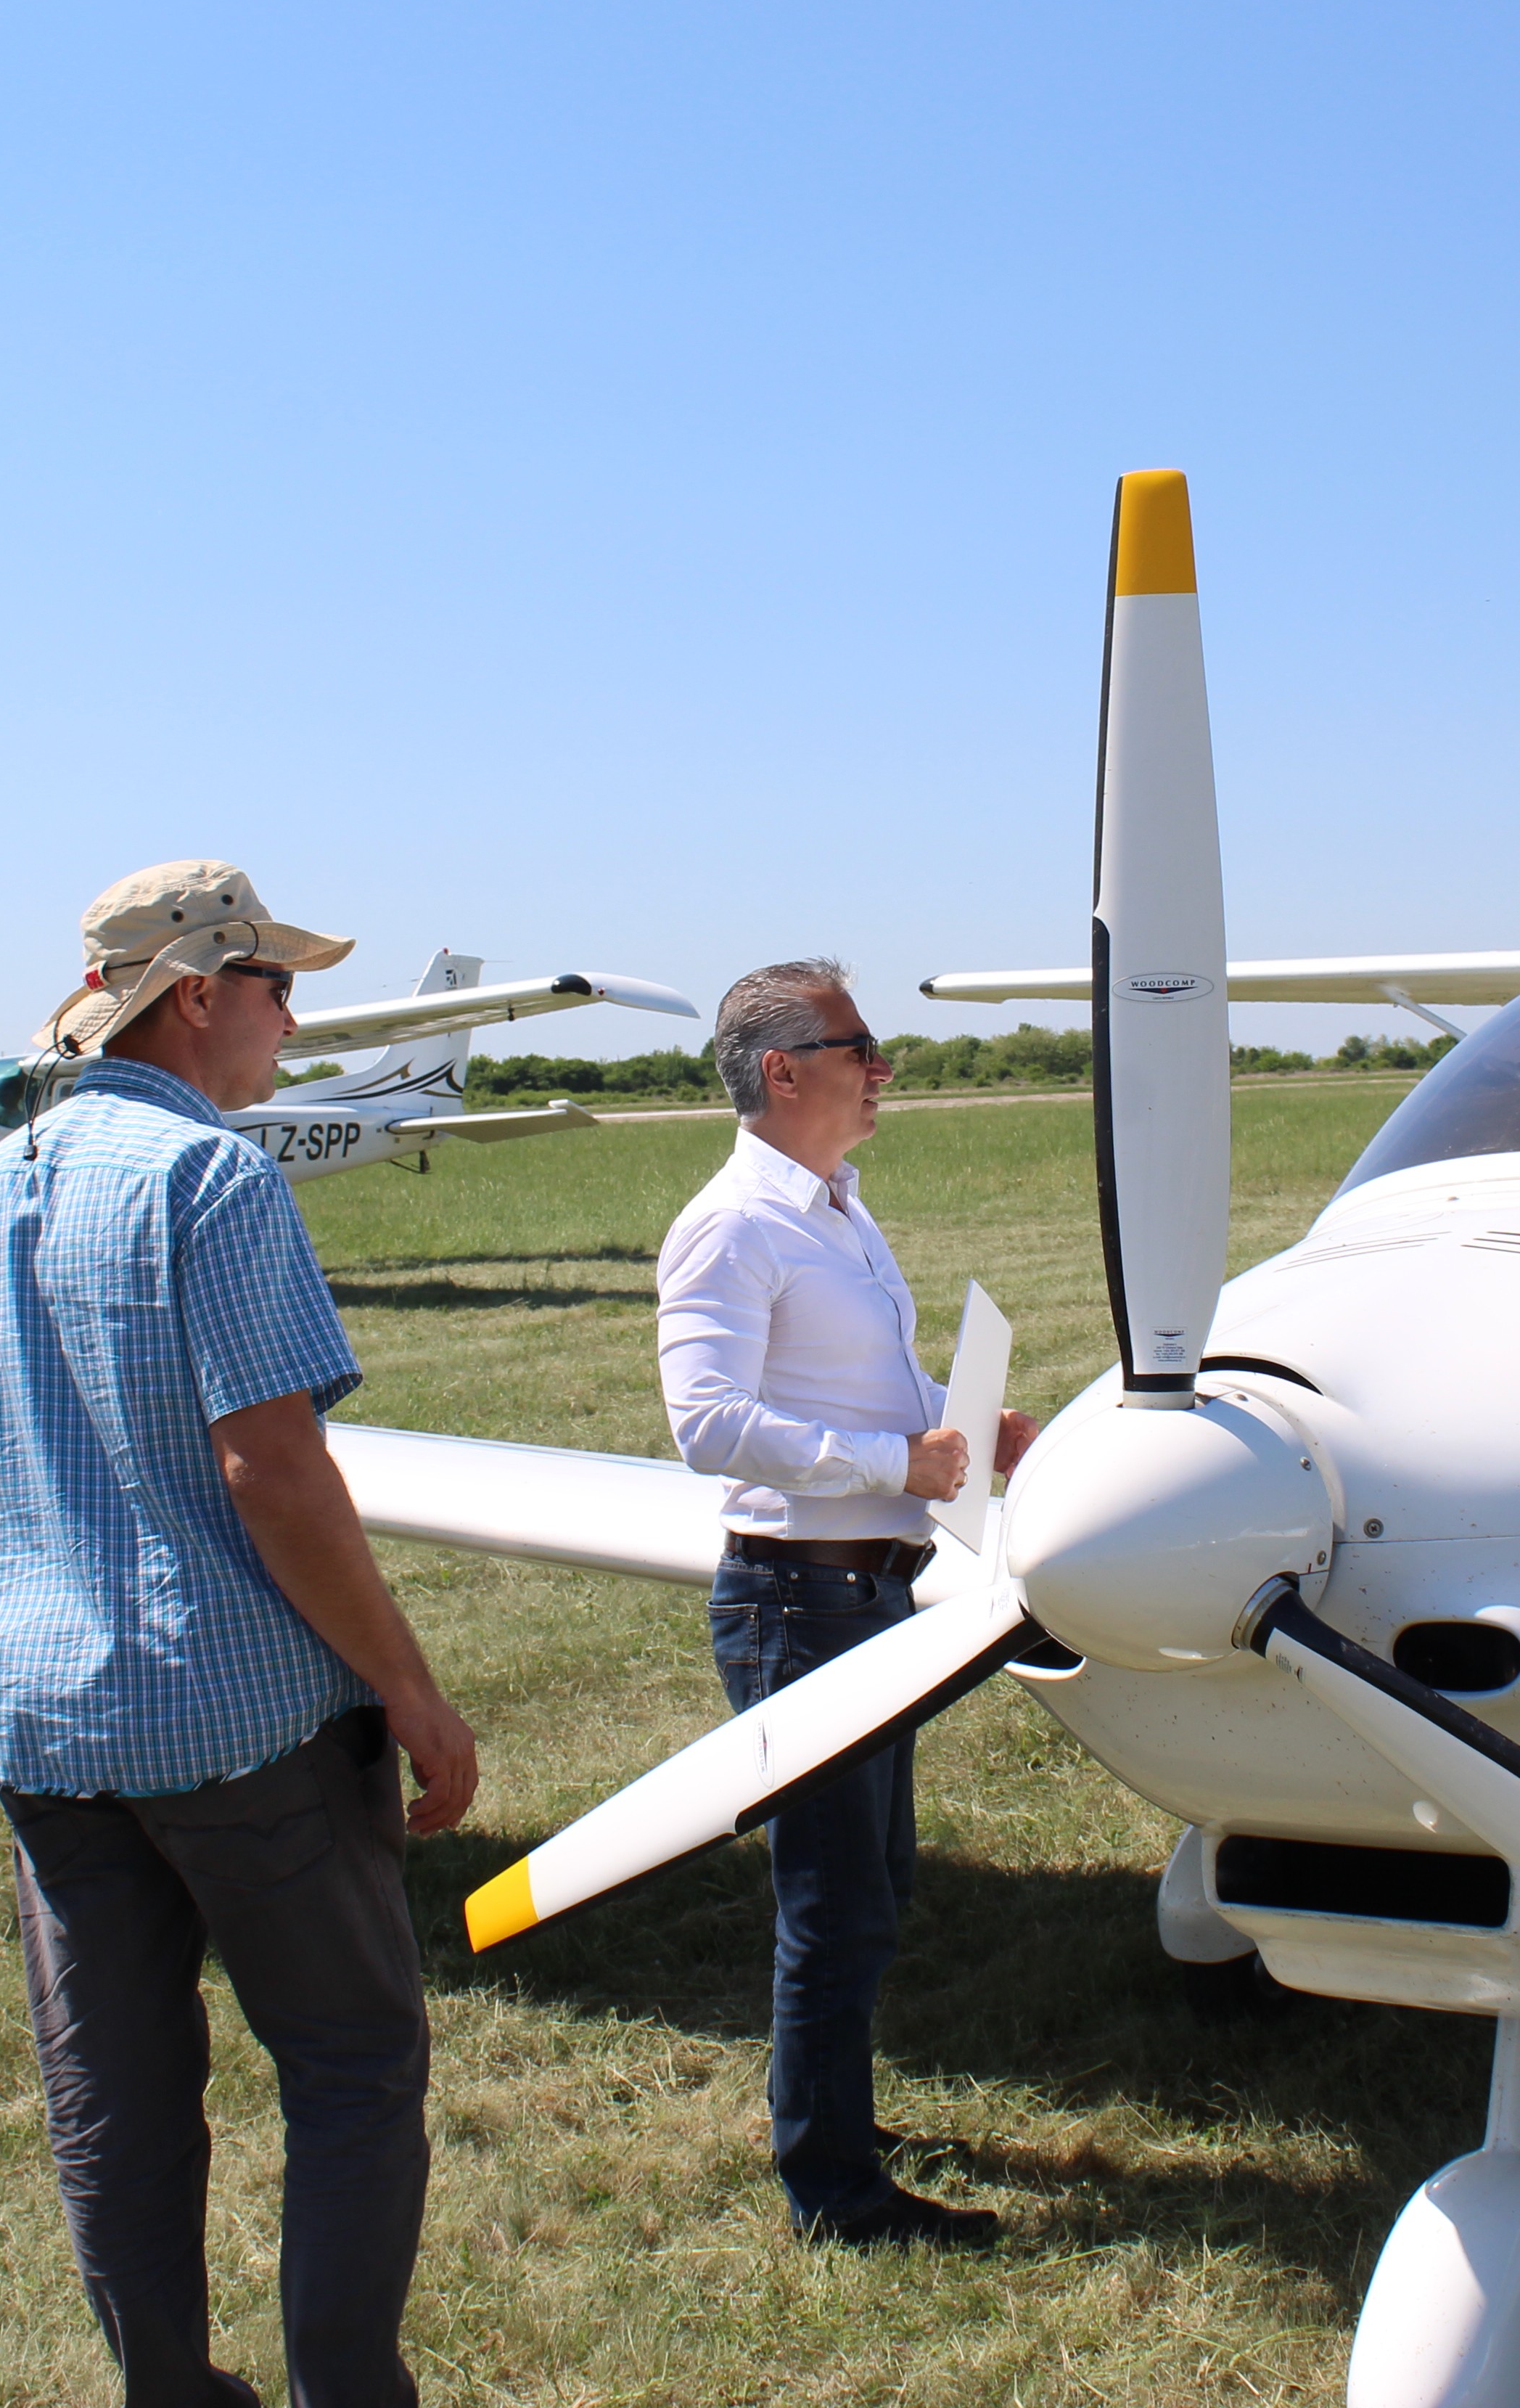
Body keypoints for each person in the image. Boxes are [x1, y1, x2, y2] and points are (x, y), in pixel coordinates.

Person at [0, 859, 480, 2408]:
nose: (292, 1024)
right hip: (240, 1730)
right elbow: (276, 1470)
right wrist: (410, 1692)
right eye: (279, 989)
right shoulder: (213, 1180)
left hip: (46, 1728)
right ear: (197, 998)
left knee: (113, 2096)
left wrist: (34, 1636)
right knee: (357, 2073)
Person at [654, 957, 1036, 2249]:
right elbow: (707, 1424)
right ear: (781, 1071)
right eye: (858, 1047)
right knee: (833, 1903)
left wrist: (969, 1425)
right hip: (796, 1602)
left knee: (874, 1882)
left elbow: (869, 1383)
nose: (882, 1070)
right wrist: (897, 1466)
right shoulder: (733, 1224)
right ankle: (836, 2192)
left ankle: (836, 2117)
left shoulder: (839, 1208)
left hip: (870, 1592)